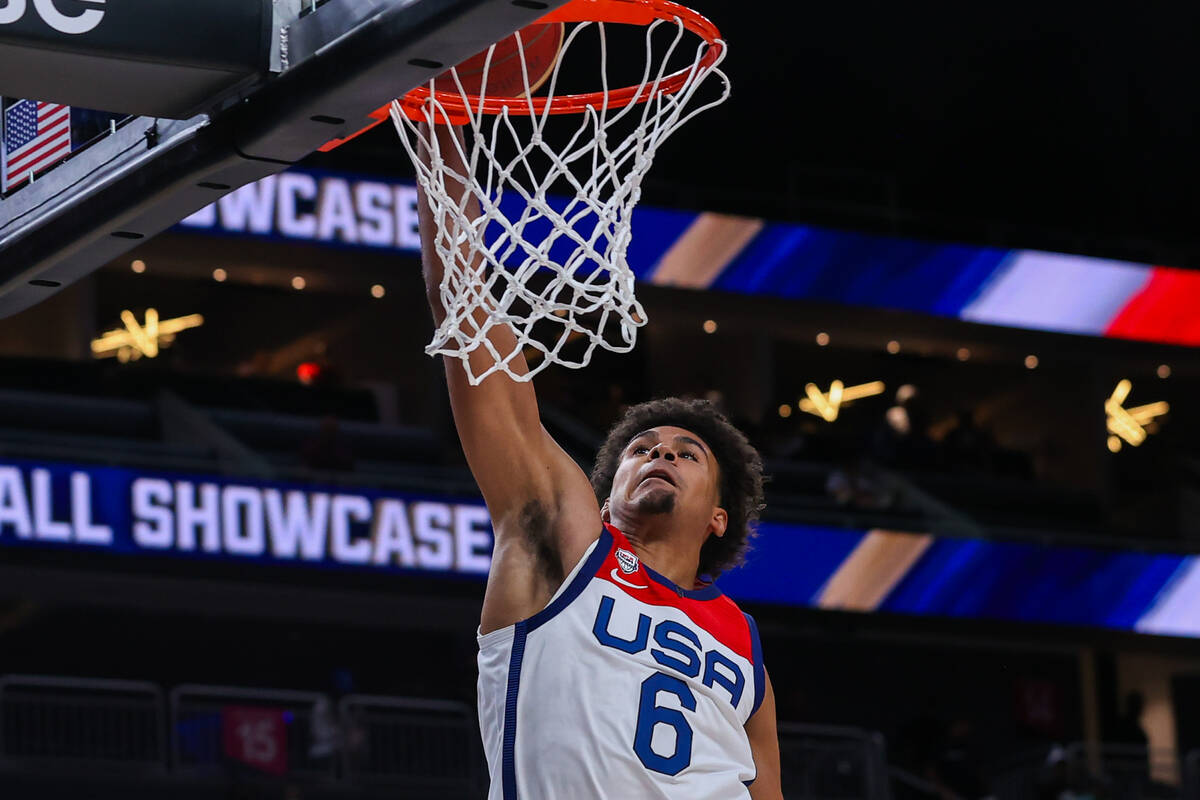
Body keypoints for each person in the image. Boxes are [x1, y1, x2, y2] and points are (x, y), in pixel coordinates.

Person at [416, 123, 783, 799]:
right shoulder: (566, 542)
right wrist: (444, 132)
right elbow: (468, 316)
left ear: (720, 518)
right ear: (604, 494)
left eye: (686, 452)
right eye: (641, 449)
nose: (660, 452)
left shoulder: (743, 641)